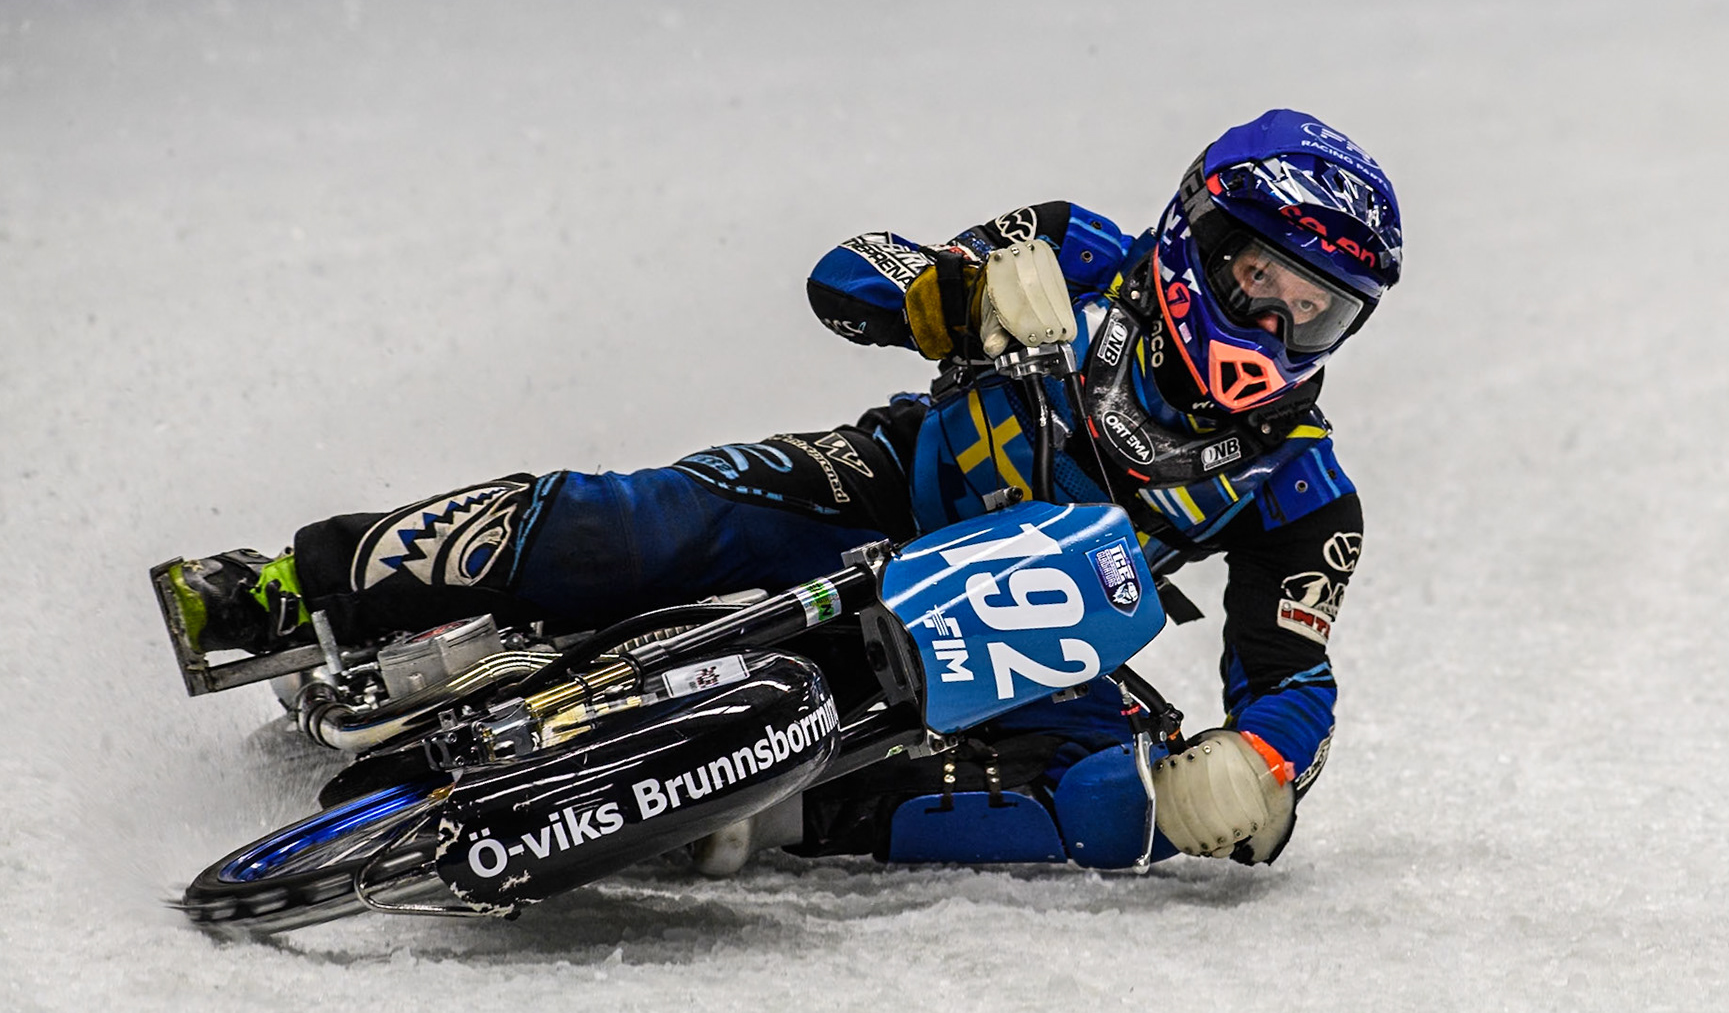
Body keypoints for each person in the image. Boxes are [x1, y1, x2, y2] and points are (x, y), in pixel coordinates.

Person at [161, 108, 1403, 875]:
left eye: (1319, 310)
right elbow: (845, 274)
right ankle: (291, 586)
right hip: (893, 486)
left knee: (1118, 808)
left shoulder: (1308, 486)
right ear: (1198, 232)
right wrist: (955, 294)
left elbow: (1294, 677)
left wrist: (1259, 764)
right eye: (1263, 279)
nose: (1281, 323)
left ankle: (775, 817)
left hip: (1034, 631)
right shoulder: (1078, 249)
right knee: (643, 518)